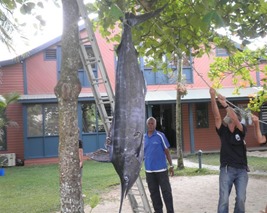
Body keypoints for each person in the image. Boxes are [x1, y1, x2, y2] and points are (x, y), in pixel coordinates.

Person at [210, 87, 249, 213]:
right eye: (228, 115)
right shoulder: (223, 131)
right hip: (227, 169)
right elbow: (216, 116)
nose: (228, 116)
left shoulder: (241, 129)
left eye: (230, 114)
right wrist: (212, 97)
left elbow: (236, 120)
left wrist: (225, 104)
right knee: (224, 199)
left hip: (242, 170)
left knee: (241, 199)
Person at [144, 116, 174, 213]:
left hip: (161, 170)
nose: (150, 125)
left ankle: (170, 210)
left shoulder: (160, 136)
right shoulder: (143, 138)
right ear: (146, 124)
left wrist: (171, 165)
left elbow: (167, 151)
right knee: (154, 193)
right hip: (149, 171)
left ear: (155, 125)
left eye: (152, 123)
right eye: (149, 123)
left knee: (166, 192)